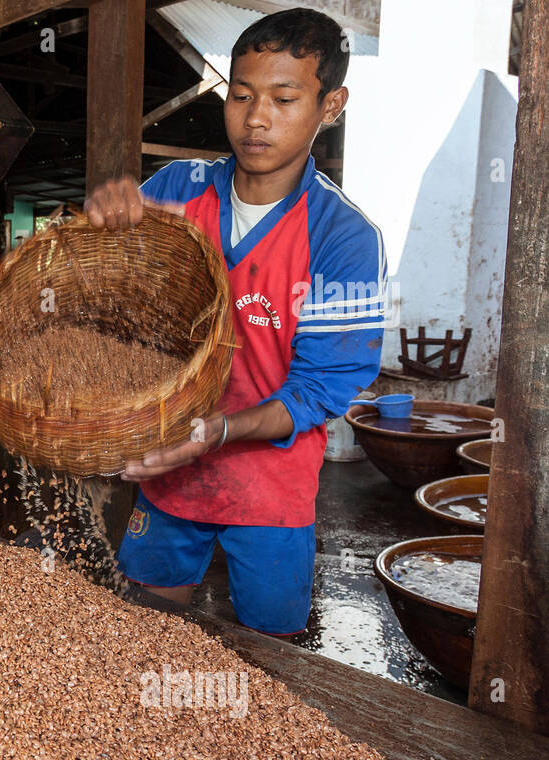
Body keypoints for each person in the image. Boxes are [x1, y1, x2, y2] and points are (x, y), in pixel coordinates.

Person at [84, 8, 385, 636]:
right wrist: (104, 225)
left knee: (271, 655)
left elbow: (318, 391)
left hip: (269, 487)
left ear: (332, 105)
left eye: (284, 97)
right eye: (241, 94)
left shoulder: (343, 238)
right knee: (145, 630)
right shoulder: (175, 189)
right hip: (170, 470)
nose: (255, 118)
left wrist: (214, 433)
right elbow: (116, 299)